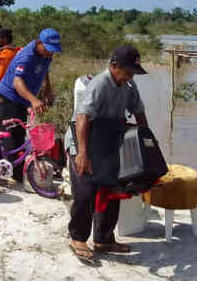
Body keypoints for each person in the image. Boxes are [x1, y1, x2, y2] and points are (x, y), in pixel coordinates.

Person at [66, 45, 148, 265]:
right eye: (128, 71)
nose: (131, 76)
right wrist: (82, 154)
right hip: (82, 140)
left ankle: (103, 239)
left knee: (113, 189)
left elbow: (139, 112)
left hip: (107, 142)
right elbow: (82, 117)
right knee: (86, 191)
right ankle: (77, 238)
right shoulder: (100, 84)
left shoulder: (128, 85)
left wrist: (147, 141)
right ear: (114, 66)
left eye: (134, 72)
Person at [0, 28, 59, 180]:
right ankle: (10, 174)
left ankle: (15, 169)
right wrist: (33, 100)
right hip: (10, 96)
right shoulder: (26, 56)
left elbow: (45, 70)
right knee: (13, 136)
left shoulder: (45, 54)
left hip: (24, 97)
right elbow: (17, 82)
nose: (50, 54)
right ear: (39, 43)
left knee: (20, 133)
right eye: (48, 50)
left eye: (53, 51)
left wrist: (47, 88)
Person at [0, 28, 20, 129]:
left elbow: (0, 76)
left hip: (0, 95)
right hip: (12, 94)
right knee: (5, 123)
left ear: (4, 40)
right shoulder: (16, 52)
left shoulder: (5, 55)